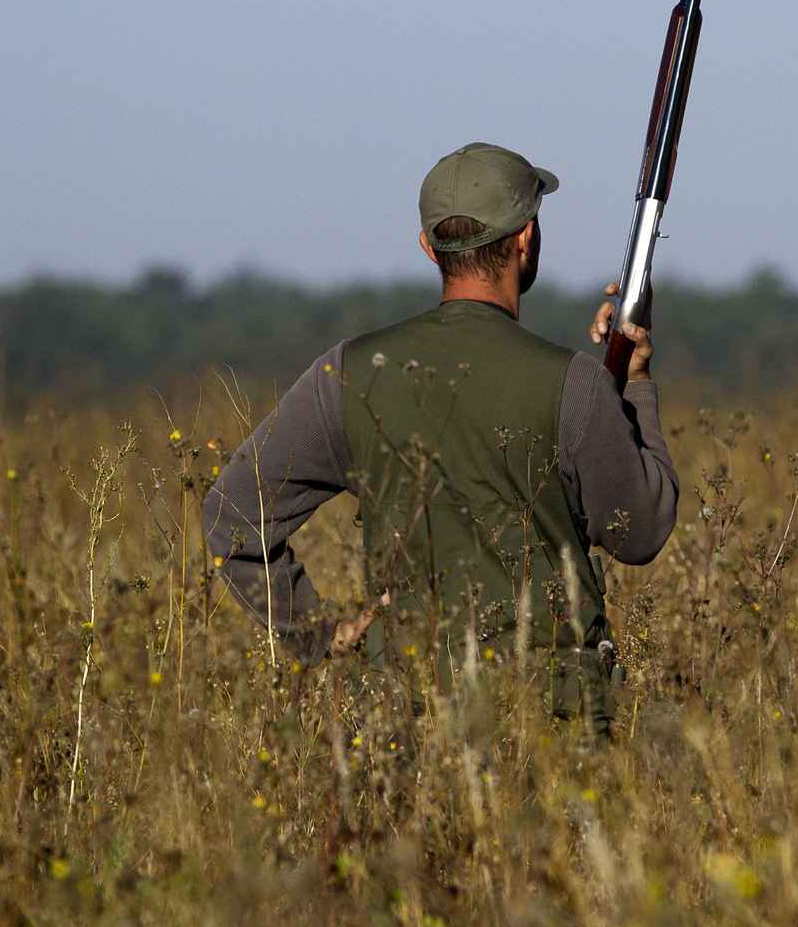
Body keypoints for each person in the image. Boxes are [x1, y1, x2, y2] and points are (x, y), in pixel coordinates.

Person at [201, 141, 679, 724]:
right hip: (550, 721)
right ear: (527, 239)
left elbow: (230, 513)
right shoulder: (575, 383)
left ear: (429, 248)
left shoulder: (347, 373)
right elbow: (641, 532)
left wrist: (318, 633)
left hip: (408, 717)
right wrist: (636, 383)